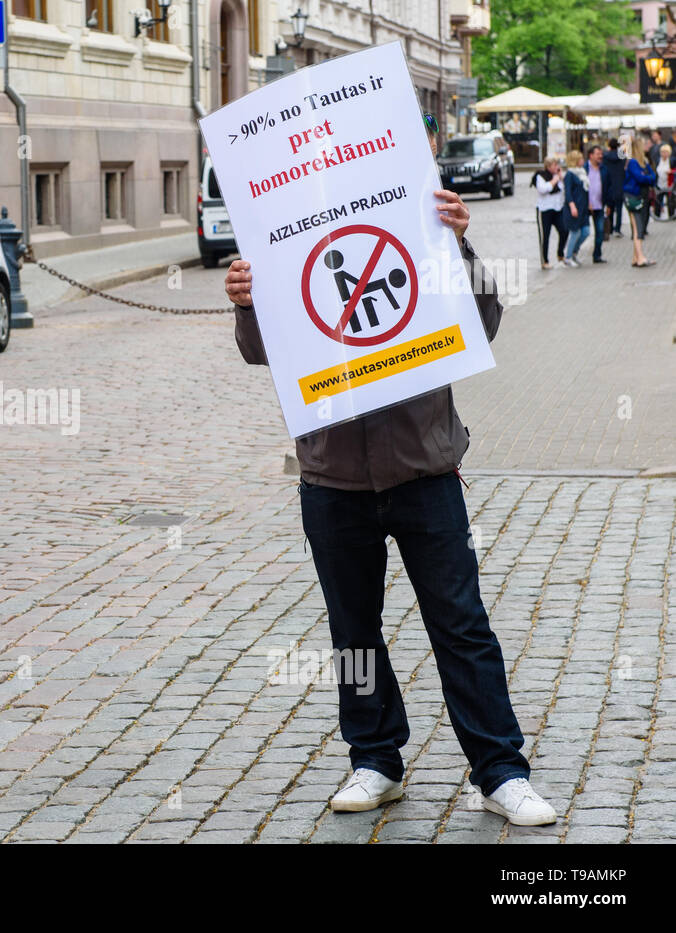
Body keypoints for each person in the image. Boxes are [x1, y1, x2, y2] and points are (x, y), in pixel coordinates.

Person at [222, 112, 556, 828]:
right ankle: (375, 758)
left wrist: (458, 243)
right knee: (353, 632)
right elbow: (263, 349)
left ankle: (500, 768)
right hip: (332, 474)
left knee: (461, 623)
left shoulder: (419, 216)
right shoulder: (288, 232)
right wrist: (249, 302)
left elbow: (481, 321)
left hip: (423, 463)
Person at [623, 134, 657, 266]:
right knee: (638, 227)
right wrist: (647, 177)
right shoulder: (632, 162)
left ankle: (636, 257)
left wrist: (647, 177)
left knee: (638, 226)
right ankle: (640, 257)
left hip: (641, 196)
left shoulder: (643, 162)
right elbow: (642, 178)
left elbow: (653, 175)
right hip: (633, 198)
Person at [532, 156, 566, 269]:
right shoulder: (540, 176)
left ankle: (560, 254)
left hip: (557, 209)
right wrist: (554, 181)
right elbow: (543, 189)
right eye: (554, 165)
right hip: (544, 209)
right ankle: (544, 261)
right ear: (548, 166)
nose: (556, 167)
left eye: (557, 165)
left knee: (564, 230)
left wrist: (561, 178)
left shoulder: (558, 177)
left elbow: (563, 189)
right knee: (545, 236)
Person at [560, 150, 590, 268]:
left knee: (586, 231)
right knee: (575, 232)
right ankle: (568, 257)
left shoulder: (582, 173)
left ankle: (574, 252)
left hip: (583, 208)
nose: (583, 160)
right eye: (580, 159)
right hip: (574, 208)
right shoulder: (570, 175)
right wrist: (572, 206)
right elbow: (568, 193)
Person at [584, 144, 608, 263]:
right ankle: (572, 253)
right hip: (586, 205)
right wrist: (586, 202)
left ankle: (597, 255)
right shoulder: (584, 168)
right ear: (591, 155)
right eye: (598, 154)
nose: (600, 156)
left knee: (600, 231)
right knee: (583, 231)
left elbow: (608, 187)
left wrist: (608, 204)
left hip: (599, 204)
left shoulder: (603, 169)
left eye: (601, 154)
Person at [602, 138, 626, 240]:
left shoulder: (605, 157)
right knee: (619, 209)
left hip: (609, 186)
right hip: (619, 185)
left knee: (609, 208)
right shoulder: (622, 156)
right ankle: (617, 229)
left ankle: (610, 228)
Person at [655, 144, 672, 221]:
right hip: (659, 184)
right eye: (662, 152)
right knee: (658, 201)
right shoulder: (658, 160)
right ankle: (657, 216)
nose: (664, 154)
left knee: (670, 202)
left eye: (666, 152)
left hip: (669, 184)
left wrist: (671, 171)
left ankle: (671, 216)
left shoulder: (672, 161)